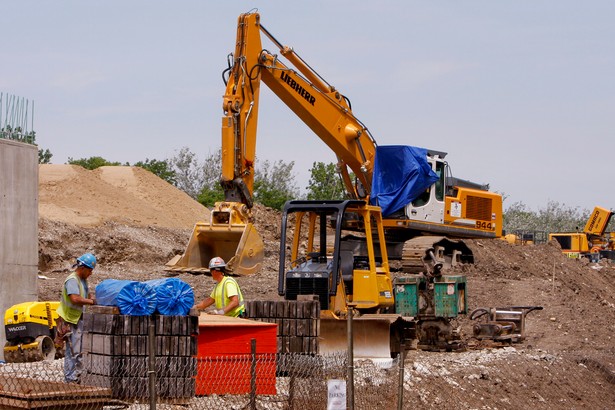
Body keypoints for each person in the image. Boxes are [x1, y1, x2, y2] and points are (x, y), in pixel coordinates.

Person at [56, 252, 97, 384]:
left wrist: (93, 299)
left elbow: (87, 296)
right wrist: (91, 302)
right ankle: (70, 379)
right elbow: (75, 299)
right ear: (83, 268)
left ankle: (77, 377)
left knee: (78, 350)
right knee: (72, 350)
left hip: (76, 319)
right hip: (68, 320)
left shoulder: (83, 281)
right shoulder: (72, 280)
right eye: (90, 270)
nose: (91, 273)